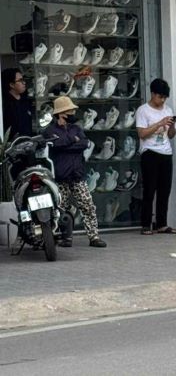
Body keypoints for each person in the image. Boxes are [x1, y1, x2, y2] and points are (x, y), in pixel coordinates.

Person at [43, 96, 106, 248]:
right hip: (60, 177)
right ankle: (62, 237)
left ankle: (94, 236)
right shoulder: (49, 130)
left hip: (77, 174)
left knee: (88, 205)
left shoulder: (76, 128)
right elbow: (55, 145)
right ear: (61, 113)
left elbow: (84, 143)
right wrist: (73, 140)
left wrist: (68, 143)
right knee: (59, 209)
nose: (73, 113)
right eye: (70, 111)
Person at [135, 78, 176, 235]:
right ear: (153, 94)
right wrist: (159, 123)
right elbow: (142, 133)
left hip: (166, 152)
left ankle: (162, 223)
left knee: (164, 190)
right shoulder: (143, 110)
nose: (162, 100)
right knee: (149, 189)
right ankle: (146, 224)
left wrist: (171, 126)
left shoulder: (168, 110)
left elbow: (171, 135)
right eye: (160, 97)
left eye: (165, 97)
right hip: (150, 152)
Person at [2, 67, 32, 139]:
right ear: (11, 84)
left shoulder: (26, 101)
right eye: (20, 80)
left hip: (28, 141)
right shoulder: (5, 104)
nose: (24, 83)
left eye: (23, 80)